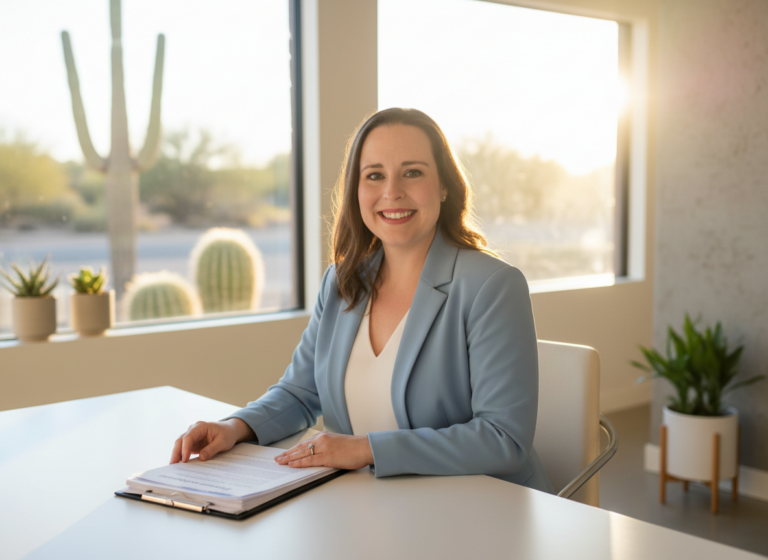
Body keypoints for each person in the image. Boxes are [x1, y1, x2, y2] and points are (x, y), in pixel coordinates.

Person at [170, 108, 554, 493]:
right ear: (357, 190)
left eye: (413, 172)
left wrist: (365, 449)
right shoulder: (340, 282)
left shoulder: (492, 286)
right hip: (369, 505)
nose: (392, 192)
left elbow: (504, 438)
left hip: (478, 510)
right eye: (374, 176)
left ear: (444, 186)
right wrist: (234, 427)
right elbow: (300, 393)